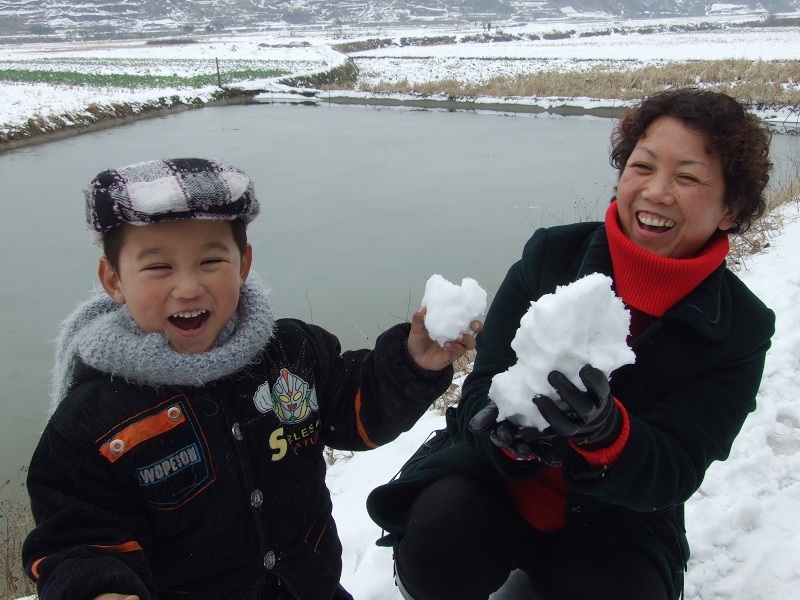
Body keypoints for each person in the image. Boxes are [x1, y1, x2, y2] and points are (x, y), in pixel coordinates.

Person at [366, 88, 775, 600]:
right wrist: (503, 438)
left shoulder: (740, 327)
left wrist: (609, 436)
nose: (656, 191)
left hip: (618, 518)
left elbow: (679, 465)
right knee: (439, 554)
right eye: (642, 166)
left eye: (687, 177)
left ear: (730, 209)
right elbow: (483, 386)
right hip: (492, 486)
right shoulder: (551, 257)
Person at [22, 157, 480, 600]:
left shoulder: (291, 353)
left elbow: (359, 411)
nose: (187, 287)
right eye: (159, 267)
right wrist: (100, 589)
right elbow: (77, 540)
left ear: (243, 264)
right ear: (114, 280)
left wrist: (412, 363)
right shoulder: (93, 422)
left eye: (210, 261)